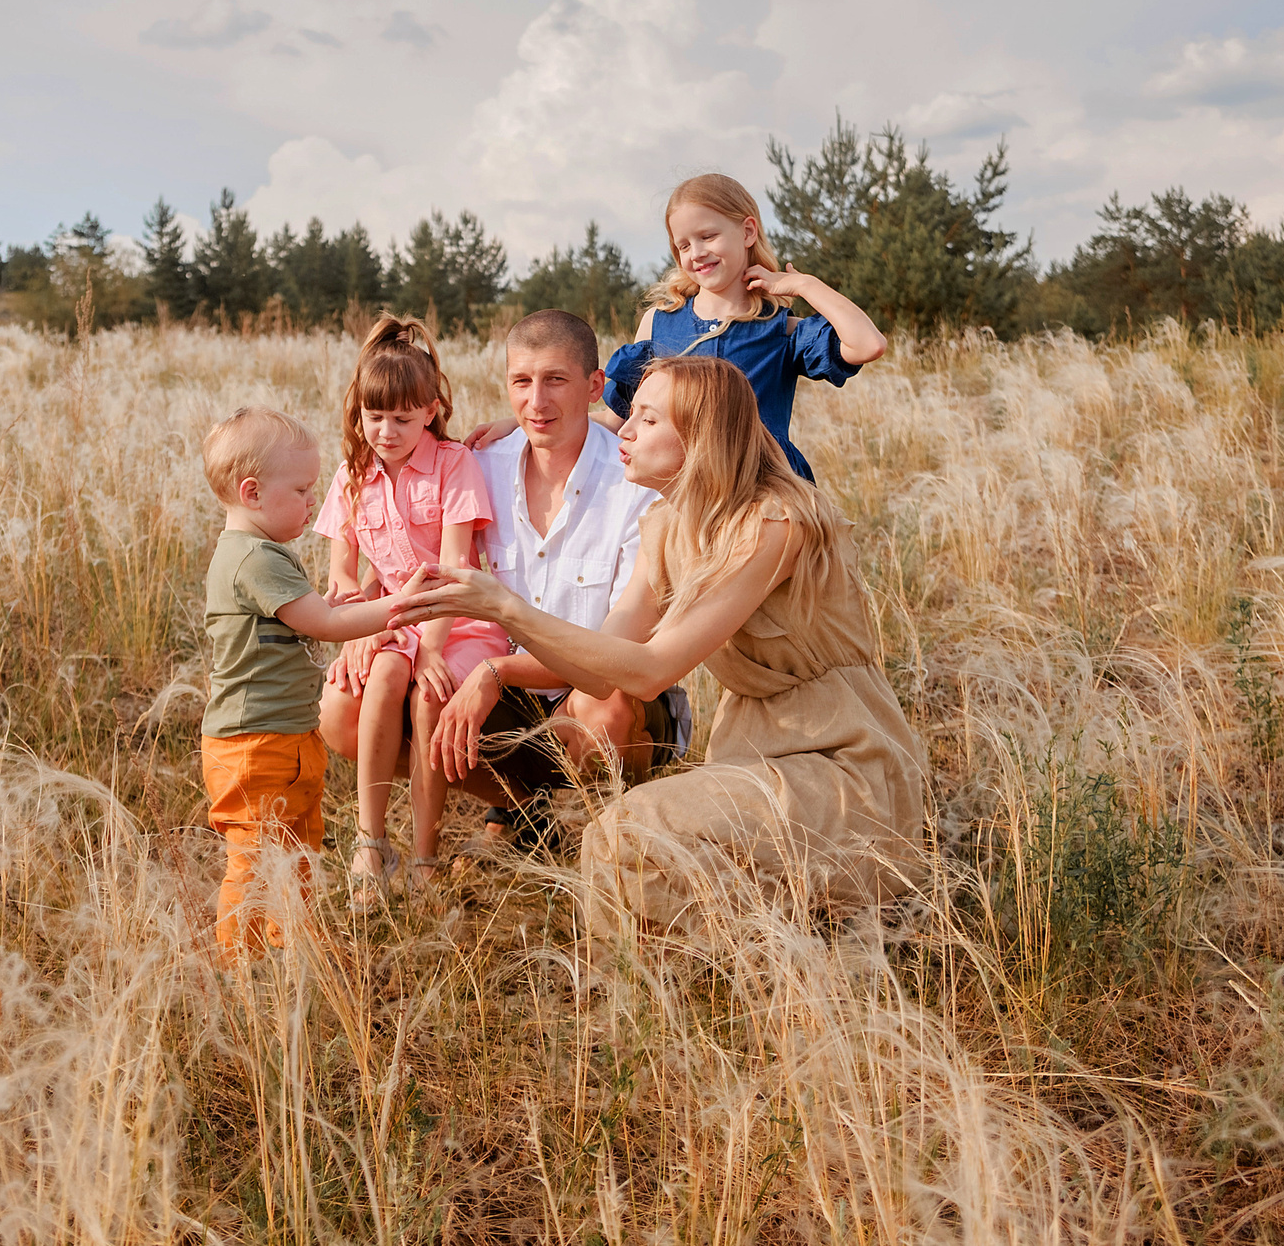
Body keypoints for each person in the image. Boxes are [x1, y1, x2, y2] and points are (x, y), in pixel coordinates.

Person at [398, 355, 927, 933]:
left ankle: (676, 987)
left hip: (840, 761)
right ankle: (727, 963)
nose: (622, 431)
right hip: (751, 753)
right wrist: (498, 659)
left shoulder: (775, 523)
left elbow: (652, 671)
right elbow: (601, 670)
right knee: (628, 847)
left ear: (702, 436)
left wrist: (504, 609)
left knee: (622, 837)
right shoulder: (667, 526)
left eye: (647, 421)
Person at [420, 309, 687, 852]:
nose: (536, 402)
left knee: (604, 709)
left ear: (594, 387)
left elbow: (617, 656)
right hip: (518, 696)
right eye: (522, 382)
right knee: (355, 708)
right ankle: (528, 805)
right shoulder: (480, 465)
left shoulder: (635, 481)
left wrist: (496, 672)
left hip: (607, 689)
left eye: (555, 380)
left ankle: (613, 831)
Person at [197, 405, 423, 953]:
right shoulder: (253, 558)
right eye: (301, 491)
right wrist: (403, 604)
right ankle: (241, 964)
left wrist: (333, 602)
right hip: (254, 743)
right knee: (254, 856)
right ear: (252, 493)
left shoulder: (265, 553)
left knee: (298, 846)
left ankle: (287, 947)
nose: (311, 503)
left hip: (289, 736)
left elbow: (308, 614)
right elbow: (324, 627)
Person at [313, 316, 510, 902]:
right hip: (390, 618)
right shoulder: (352, 476)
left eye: (402, 418)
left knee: (429, 690)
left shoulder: (454, 464)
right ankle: (369, 844)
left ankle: (426, 853)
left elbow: (454, 569)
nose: (386, 431)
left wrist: (429, 647)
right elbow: (342, 574)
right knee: (384, 673)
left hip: (462, 619)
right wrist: (357, 630)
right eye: (374, 417)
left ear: (429, 410)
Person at [603, 173, 886, 482]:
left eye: (708, 236)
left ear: (748, 231)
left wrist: (804, 284)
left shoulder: (782, 331)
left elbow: (868, 345)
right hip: (682, 496)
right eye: (683, 245)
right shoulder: (658, 324)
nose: (696, 253)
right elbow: (618, 420)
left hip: (762, 496)